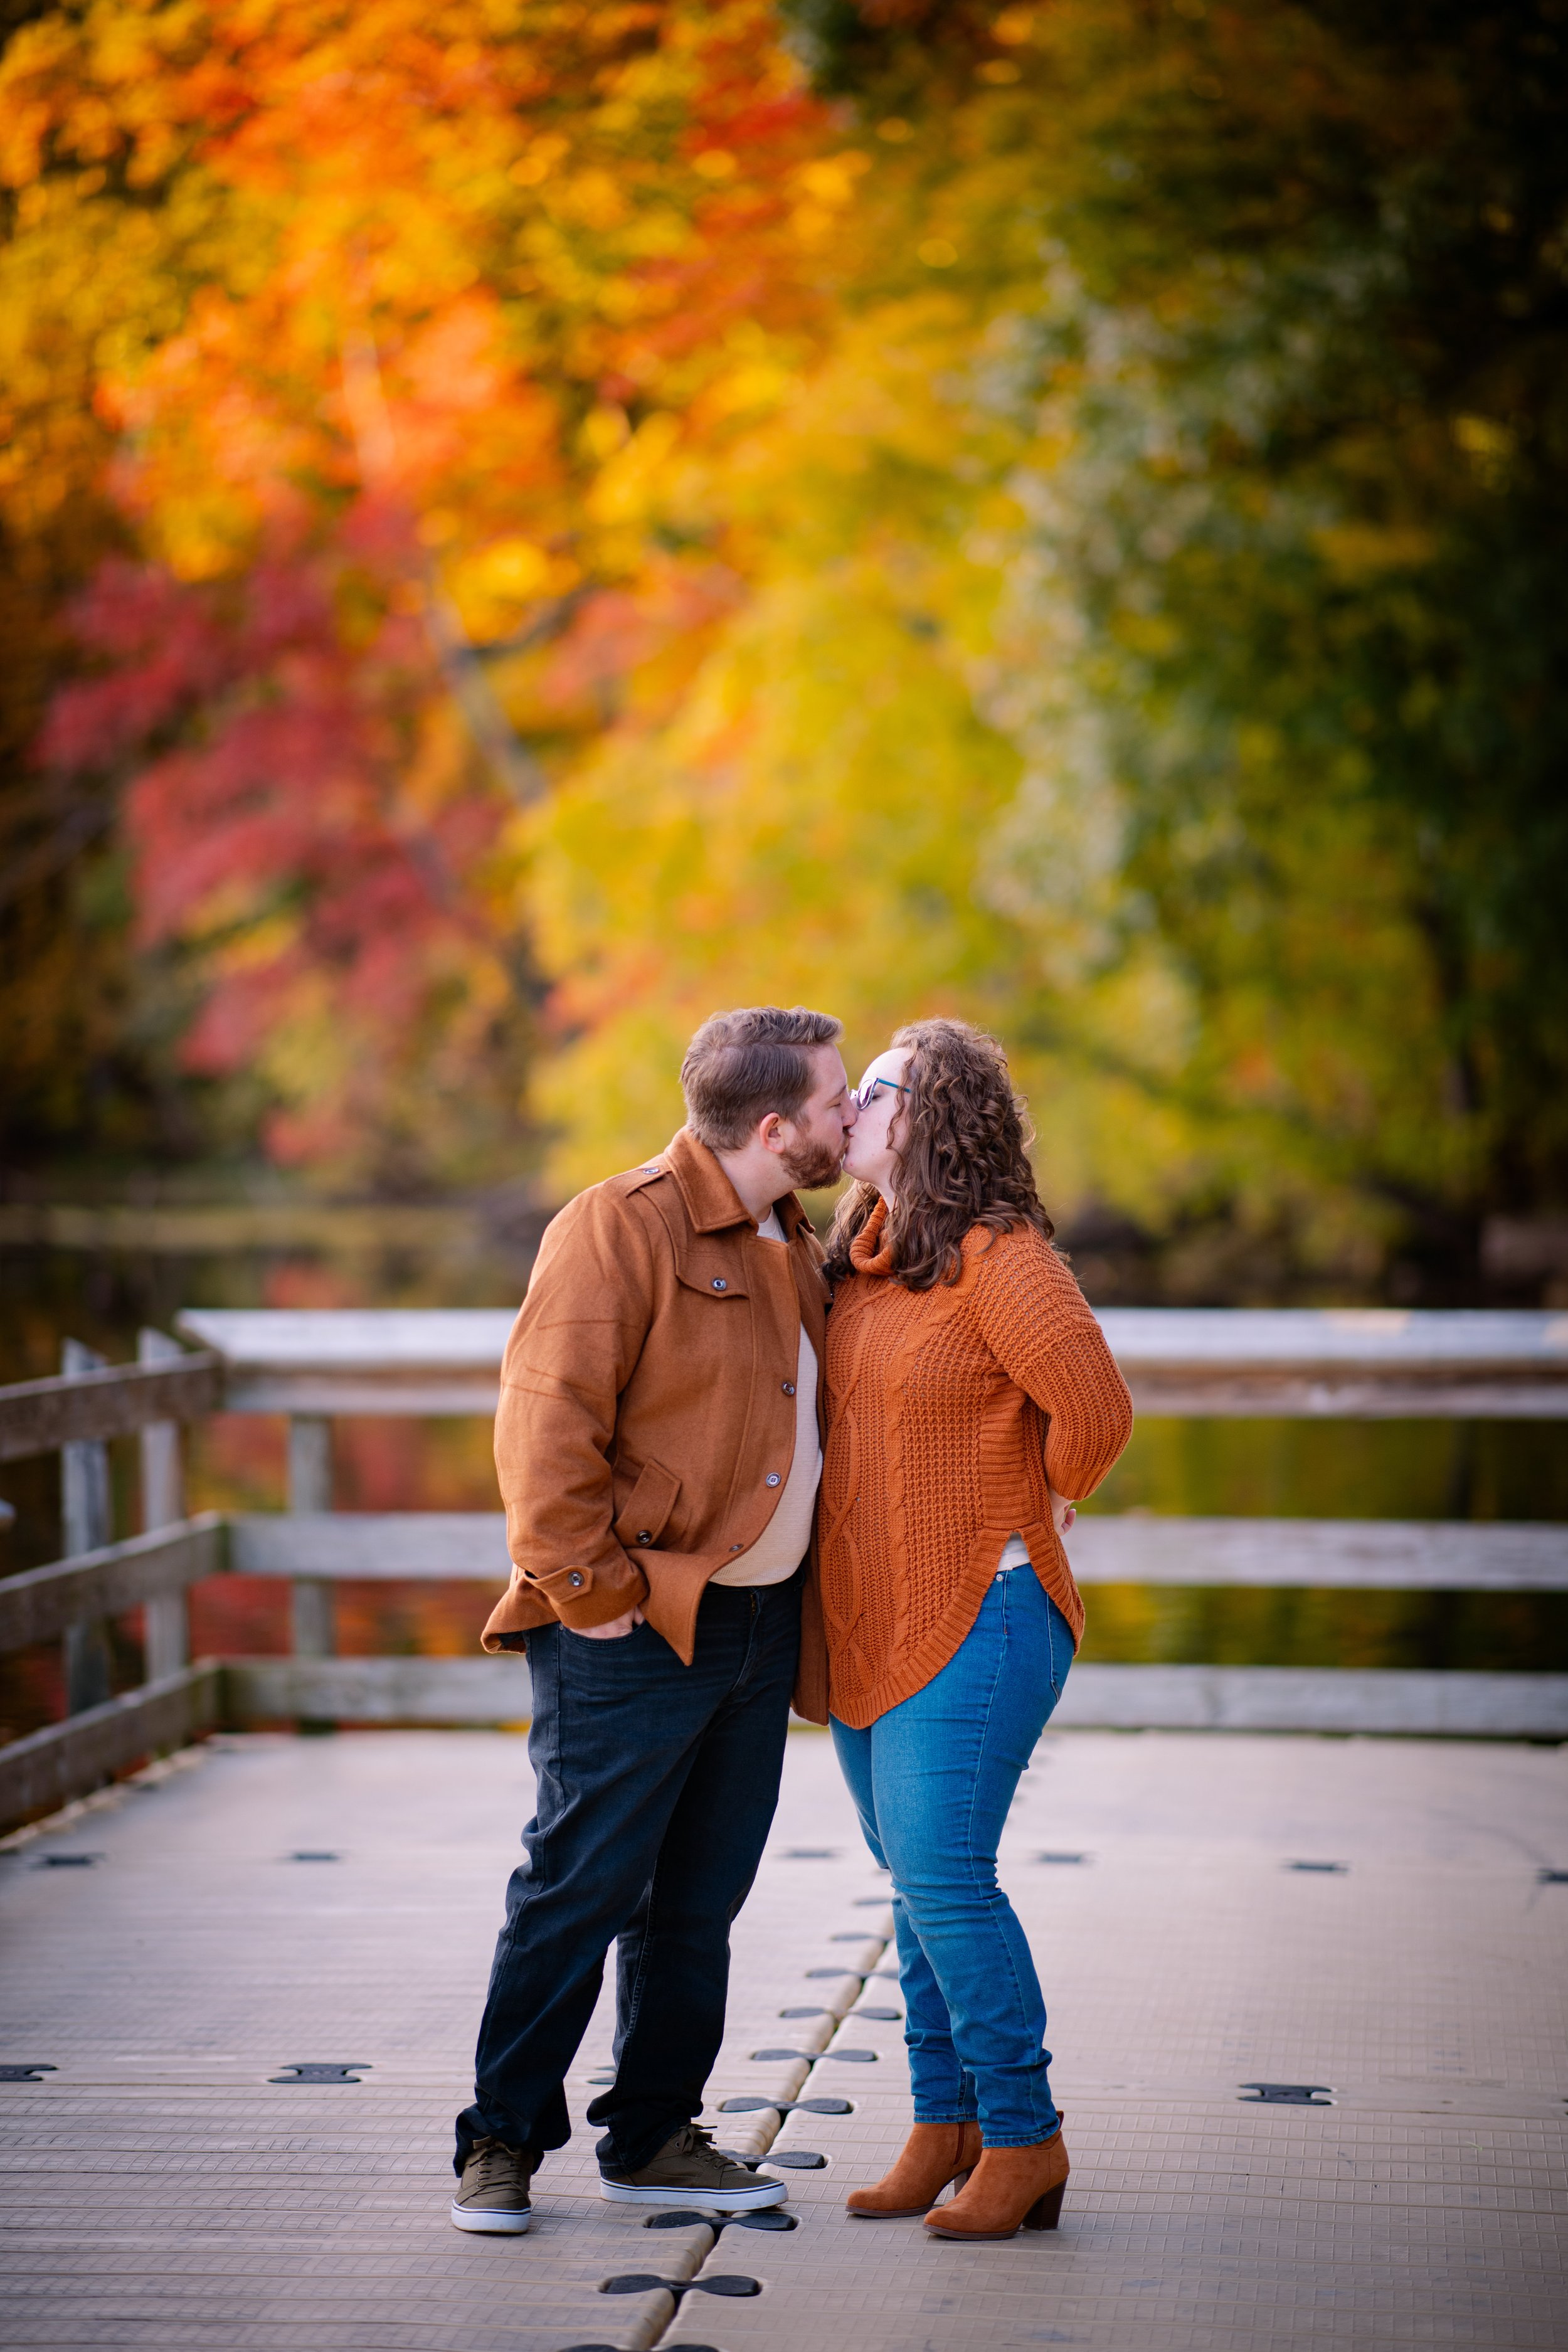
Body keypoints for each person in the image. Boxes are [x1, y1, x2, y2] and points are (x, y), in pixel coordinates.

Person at [450, 1005, 857, 2233]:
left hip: (758, 1626)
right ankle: (499, 2144)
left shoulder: (797, 1233)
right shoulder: (614, 1227)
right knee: (578, 1884)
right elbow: (543, 1426)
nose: (849, 1120)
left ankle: (651, 2136)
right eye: (837, 1102)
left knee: (697, 1901)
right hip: (634, 1625)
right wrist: (591, 1598)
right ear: (777, 1125)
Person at [812, 1017, 1133, 2243]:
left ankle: (1022, 2137)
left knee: (944, 1879)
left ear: (931, 1116)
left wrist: (1031, 1498)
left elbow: (1093, 1412)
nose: (854, 1108)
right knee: (912, 1885)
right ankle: (938, 2123)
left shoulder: (1002, 1257)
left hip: (984, 1609)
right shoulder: (864, 1251)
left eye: (876, 1089)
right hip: (868, 1624)